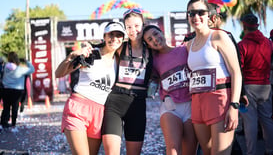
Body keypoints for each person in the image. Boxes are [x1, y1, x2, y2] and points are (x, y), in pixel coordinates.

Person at [55, 21, 125, 155]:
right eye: (111, 34)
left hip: (100, 112)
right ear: (104, 36)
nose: (114, 38)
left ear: (123, 39)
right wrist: (72, 56)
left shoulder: (120, 60)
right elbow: (58, 73)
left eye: (118, 35)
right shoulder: (91, 54)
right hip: (78, 109)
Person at [185, 0, 242, 155]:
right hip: (197, 103)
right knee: (207, 152)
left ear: (208, 14)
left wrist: (234, 105)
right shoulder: (189, 45)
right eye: (191, 13)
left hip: (220, 100)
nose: (196, 17)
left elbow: (236, 72)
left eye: (200, 12)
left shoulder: (218, 36)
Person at [101, 9, 153, 155]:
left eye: (137, 26)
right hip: (114, 103)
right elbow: (101, 49)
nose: (133, 30)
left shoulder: (152, 49)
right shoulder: (120, 47)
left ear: (144, 25)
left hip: (137, 105)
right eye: (128, 27)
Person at [142, 25, 197, 155]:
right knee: (173, 149)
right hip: (171, 108)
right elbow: (152, 84)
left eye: (156, 34)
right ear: (148, 45)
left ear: (162, 32)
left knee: (189, 151)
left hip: (191, 106)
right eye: (150, 39)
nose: (155, 39)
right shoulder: (152, 62)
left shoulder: (185, 49)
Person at [238, 14, 273, 155]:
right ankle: (270, 150)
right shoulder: (268, 43)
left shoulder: (241, 45)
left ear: (244, 26)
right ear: (257, 25)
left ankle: (251, 152)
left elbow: (238, 68)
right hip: (266, 85)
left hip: (248, 86)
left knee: (250, 122)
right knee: (267, 119)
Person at [0, 52, 35, 128]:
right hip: (17, 91)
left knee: (6, 107)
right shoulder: (21, 69)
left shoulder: (5, 67)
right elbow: (32, 69)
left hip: (6, 90)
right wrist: (26, 61)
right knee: (15, 107)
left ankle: (4, 122)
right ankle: (13, 123)